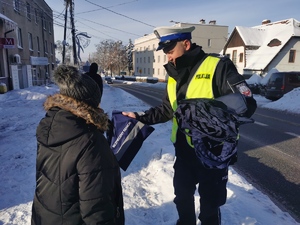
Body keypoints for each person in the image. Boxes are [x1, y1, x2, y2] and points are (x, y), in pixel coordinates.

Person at [122, 26, 257, 225]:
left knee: (210, 206)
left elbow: (247, 103)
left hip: (213, 152)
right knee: (182, 198)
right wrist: (140, 116)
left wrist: (204, 114)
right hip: (184, 151)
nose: (168, 56)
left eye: (170, 51)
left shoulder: (217, 66)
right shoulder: (173, 74)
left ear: (186, 44)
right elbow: (168, 110)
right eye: (165, 52)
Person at [31, 65, 124, 225]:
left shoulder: (51, 125)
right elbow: (97, 209)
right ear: (91, 103)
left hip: (44, 215)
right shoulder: (90, 141)